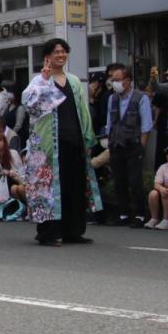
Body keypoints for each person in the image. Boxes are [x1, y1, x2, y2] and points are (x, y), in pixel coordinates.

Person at [22, 38, 102, 246]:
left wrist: (87, 137)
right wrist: (44, 80)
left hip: (74, 139)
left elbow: (83, 111)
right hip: (49, 145)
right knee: (49, 188)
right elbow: (30, 104)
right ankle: (48, 233)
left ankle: (73, 231)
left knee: (73, 185)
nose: (61, 55)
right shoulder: (39, 80)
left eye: (64, 51)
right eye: (56, 52)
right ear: (47, 56)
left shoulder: (74, 80)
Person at [102, 64, 153, 227]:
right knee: (119, 180)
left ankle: (139, 214)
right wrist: (109, 142)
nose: (114, 83)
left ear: (128, 81)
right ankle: (123, 213)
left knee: (135, 181)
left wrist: (141, 147)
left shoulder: (141, 97)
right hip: (116, 144)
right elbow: (109, 123)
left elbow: (146, 125)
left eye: (117, 80)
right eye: (112, 80)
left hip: (133, 144)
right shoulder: (112, 98)